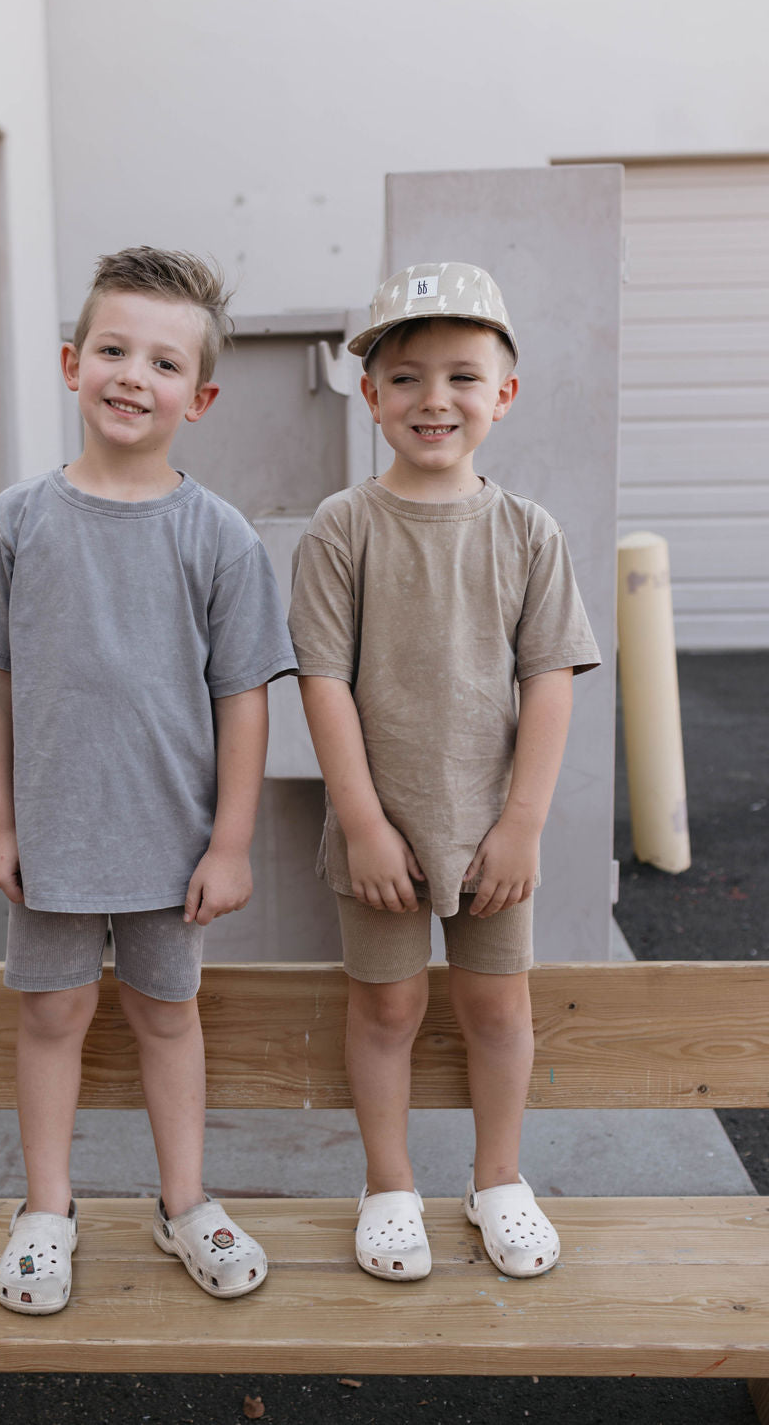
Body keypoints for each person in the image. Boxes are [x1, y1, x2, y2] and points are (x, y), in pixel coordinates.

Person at [0, 247, 295, 1314]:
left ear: (202, 392)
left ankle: (184, 1201)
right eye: (113, 349)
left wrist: (230, 842)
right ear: (70, 362)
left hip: (169, 845)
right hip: (52, 839)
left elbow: (243, 697)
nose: (134, 374)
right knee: (50, 1018)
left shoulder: (219, 537)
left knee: (165, 1018)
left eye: (164, 360)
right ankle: (47, 1208)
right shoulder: (17, 522)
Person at [289, 261, 600, 1282]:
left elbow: (548, 679)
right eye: (407, 376)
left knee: (497, 1008)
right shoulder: (344, 525)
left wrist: (521, 823)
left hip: (491, 832)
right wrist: (366, 822)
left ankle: (498, 1179)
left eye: (462, 376)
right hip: (380, 827)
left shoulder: (528, 531)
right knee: (384, 1008)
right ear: (371, 394)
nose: (435, 399)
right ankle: (387, 1185)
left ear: (501, 396)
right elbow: (324, 682)